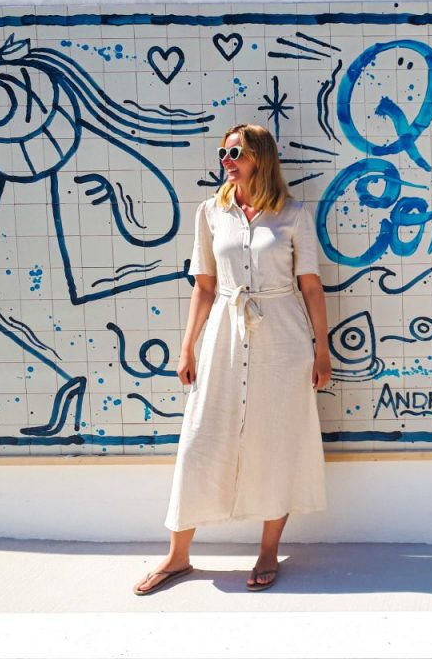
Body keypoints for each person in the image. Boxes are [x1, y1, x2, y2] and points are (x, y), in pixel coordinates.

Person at [133, 123, 332, 595]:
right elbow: (203, 286)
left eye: (236, 151)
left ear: (259, 156)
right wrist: (188, 346)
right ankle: (178, 556)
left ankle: (268, 549)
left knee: (277, 439)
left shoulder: (293, 215)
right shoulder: (210, 212)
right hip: (224, 331)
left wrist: (321, 349)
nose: (227, 159)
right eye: (224, 152)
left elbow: (311, 287)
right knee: (201, 438)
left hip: (283, 337)